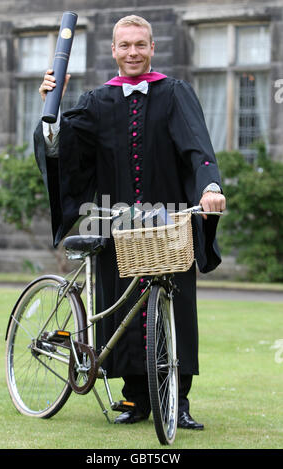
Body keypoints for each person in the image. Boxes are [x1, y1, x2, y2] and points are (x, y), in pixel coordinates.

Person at [34, 15, 226, 429]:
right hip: (117, 225)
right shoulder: (96, 100)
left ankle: (178, 399)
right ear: (113, 50)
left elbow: (198, 148)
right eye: (125, 46)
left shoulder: (176, 93)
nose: (133, 53)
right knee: (119, 309)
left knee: (175, 311)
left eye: (140, 44)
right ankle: (135, 399)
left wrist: (209, 186)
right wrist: (53, 106)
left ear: (152, 47)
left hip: (168, 224)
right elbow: (63, 151)